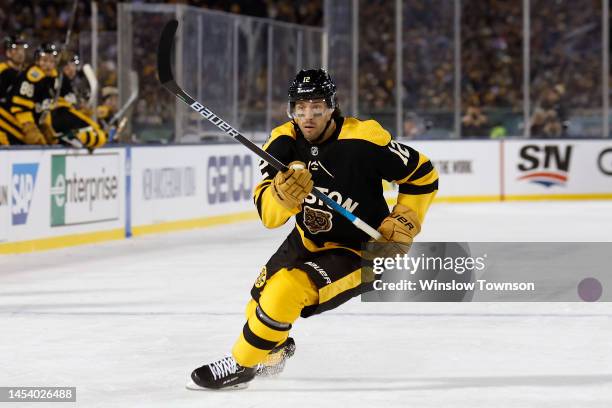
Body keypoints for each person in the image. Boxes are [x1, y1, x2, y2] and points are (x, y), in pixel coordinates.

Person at [188, 69, 439, 390]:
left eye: (317, 108)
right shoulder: (282, 141)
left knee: (285, 290)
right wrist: (281, 196)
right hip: (306, 240)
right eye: (300, 108)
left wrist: (404, 222)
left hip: (363, 251)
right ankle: (274, 351)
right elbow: (269, 216)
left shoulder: (365, 140)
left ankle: (241, 365)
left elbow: (423, 174)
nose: (307, 116)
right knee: (258, 302)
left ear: (332, 107)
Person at [9, 43, 107, 149]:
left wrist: (88, 111)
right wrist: (30, 128)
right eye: (44, 60)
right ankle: (70, 135)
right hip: (37, 124)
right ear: (37, 61)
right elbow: (20, 107)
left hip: (54, 122)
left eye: (51, 61)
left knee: (99, 133)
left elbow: (69, 105)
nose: (48, 65)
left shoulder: (59, 78)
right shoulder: (31, 76)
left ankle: (71, 136)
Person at [0, 35, 28, 145]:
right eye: (16, 49)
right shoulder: (2, 71)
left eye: (22, 49)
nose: (20, 52)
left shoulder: (28, 72)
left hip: (22, 119)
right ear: (8, 53)